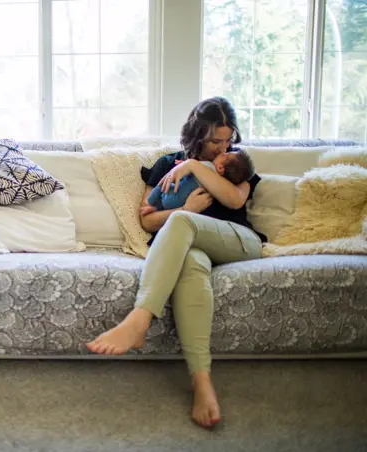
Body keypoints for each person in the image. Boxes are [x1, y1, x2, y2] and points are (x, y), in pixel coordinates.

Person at [86, 97, 267, 429]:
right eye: (215, 141)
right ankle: (202, 383)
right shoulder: (166, 163)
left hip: (236, 241)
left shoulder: (236, 162)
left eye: (227, 140)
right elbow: (148, 222)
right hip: (188, 248)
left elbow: (234, 198)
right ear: (197, 134)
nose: (222, 147)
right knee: (190, 262)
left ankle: (139, 320)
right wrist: (188, 207)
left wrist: (195, 168)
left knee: (181, 223)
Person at [141, 150, 255, 216]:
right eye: (216, 141)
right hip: (176, 203)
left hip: (174, 196)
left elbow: (236, 200)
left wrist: (188, 164)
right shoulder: (219, 179)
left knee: (164, 183)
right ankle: (154, 208)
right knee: (168, 192)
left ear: (220, 168)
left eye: (225, 155)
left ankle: (150, 202)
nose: (223, 150)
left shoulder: (208, 169)